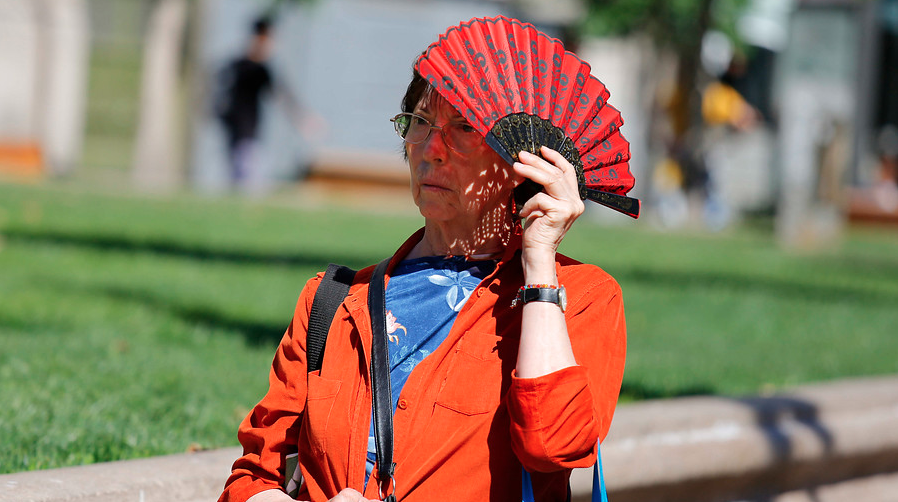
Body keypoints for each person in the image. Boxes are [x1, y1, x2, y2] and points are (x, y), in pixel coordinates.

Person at [218, 17, 628, 502]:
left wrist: (539, 264)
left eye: (463, 128)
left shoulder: (581, 299)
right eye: (420, 122)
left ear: (525, 159)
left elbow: (554, 447)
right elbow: (252, 477)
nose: (431, 149)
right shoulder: (330, 304)